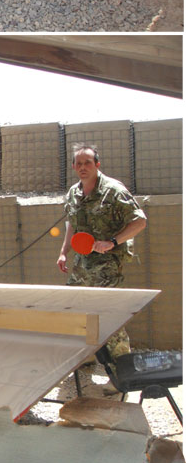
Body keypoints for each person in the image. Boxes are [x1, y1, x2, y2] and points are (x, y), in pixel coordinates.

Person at [57, 145, 147, 359]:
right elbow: (72, 225)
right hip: (82, 264)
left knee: (109, 315)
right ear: (73, 167)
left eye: (87, 162)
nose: (83, 167)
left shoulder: (113, 190)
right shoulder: (73, 193)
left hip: (108, 264)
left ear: (97, 164)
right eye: (78, 163)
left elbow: (140, 221)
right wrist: (63, 252)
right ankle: (83, 360)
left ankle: (122, 367)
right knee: (75, 310)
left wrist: (113, 242)